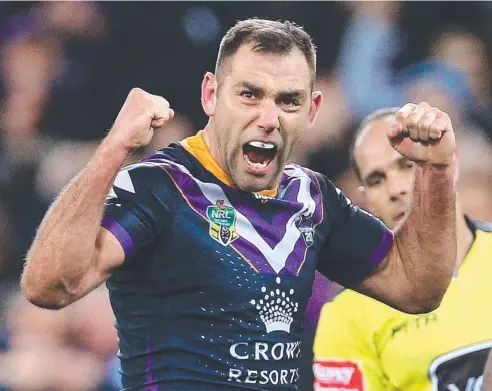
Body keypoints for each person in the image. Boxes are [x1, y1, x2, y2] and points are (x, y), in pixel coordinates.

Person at [21, 19, 458, 390]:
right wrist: (113, 149)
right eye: (249, 94)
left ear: (312, 110)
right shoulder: (160, 186)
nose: (268, 118)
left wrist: (437, 172)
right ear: (211, 95)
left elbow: (416, 288)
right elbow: (50, 285)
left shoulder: (314, 198)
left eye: (288, 100)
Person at [313, 107, 492, 391]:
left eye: (408, 165)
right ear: (366, 200)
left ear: (451, 162)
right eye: (376, 180)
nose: (395, 189)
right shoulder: (346, 313)